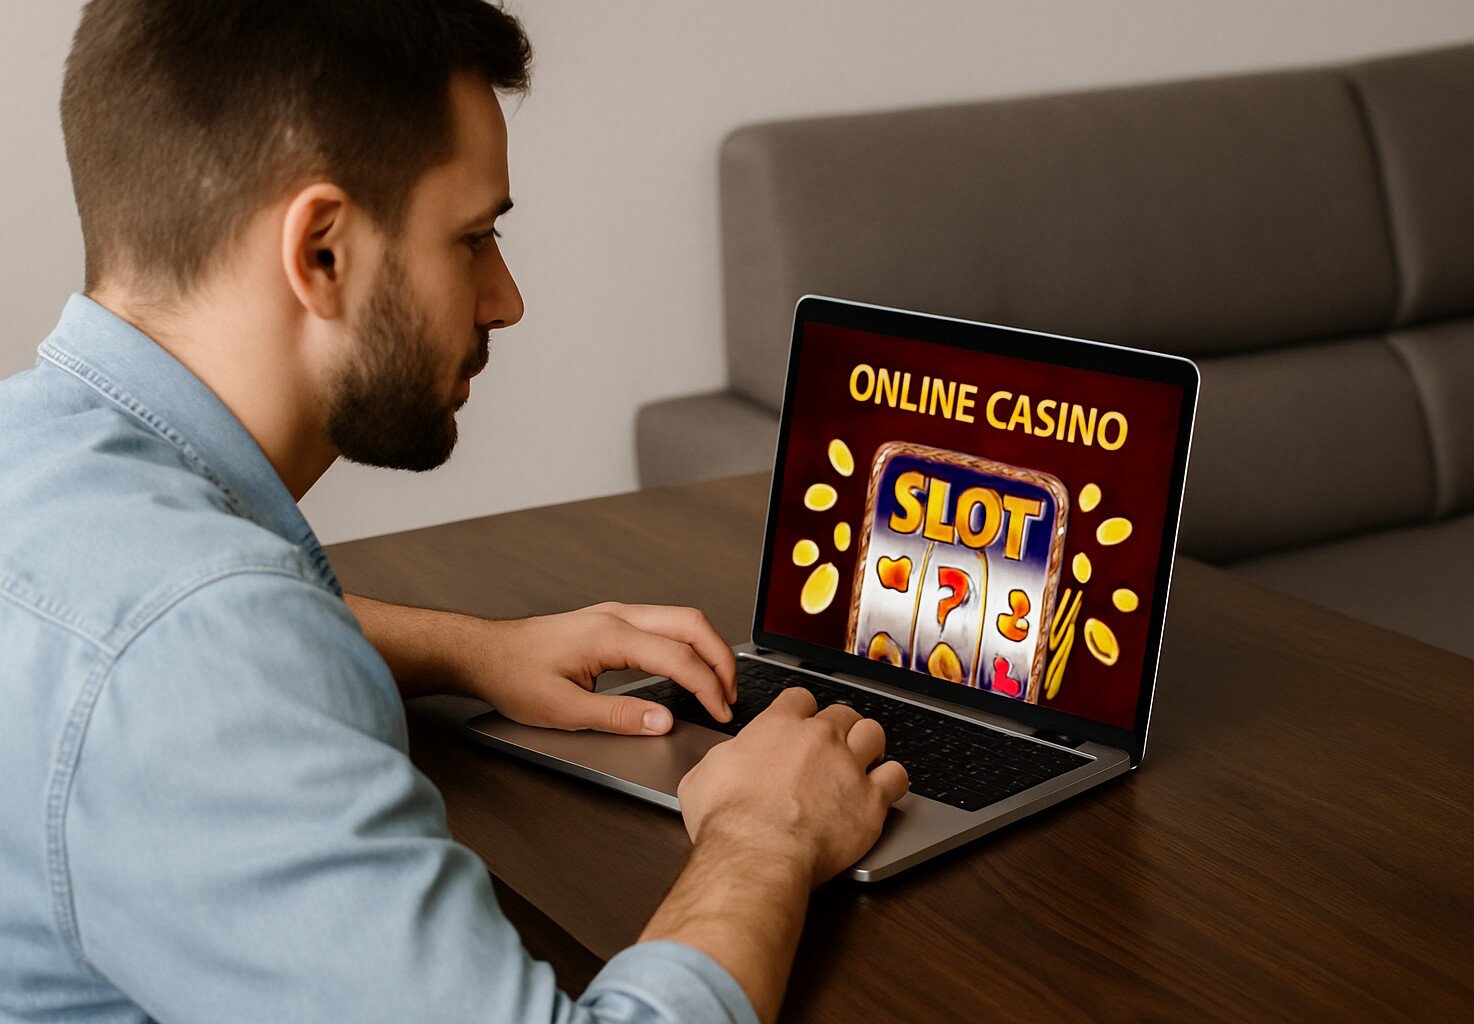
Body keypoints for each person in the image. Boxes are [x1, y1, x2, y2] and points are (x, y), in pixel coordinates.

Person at [0, 2, 908, 1022]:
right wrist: (763, 837)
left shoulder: (36, 465)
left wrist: (470, 648)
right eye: (474, 237)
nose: (505, 296)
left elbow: (140, 638)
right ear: (323, 251)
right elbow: (189, 646)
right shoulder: (197, 648)